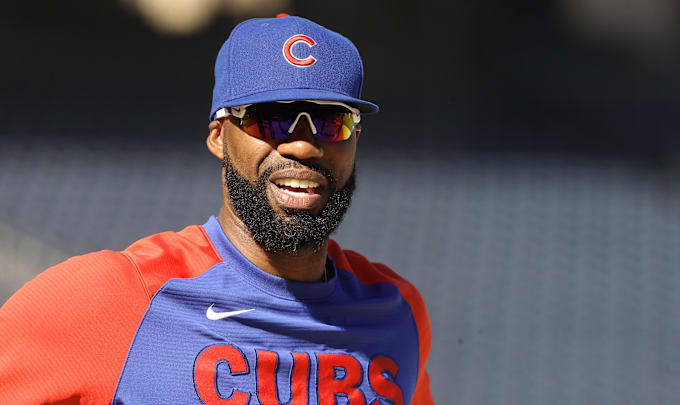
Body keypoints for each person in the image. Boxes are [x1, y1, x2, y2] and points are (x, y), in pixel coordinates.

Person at [0, 14, 433, 405]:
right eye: (271, 119)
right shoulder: (110, 299)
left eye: (331, 121)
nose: (302, 145)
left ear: (357, 140)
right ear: (219, 137)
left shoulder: (398, 313)